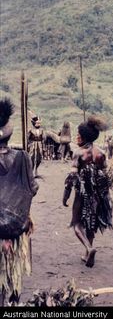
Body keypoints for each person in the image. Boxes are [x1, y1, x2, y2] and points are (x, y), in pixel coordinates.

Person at [0, 98, 38, 306]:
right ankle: (14, 303)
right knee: (14, 271)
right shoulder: (22, 157)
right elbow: (33, 189)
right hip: (17, 226)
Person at [62, 116, 112, 268]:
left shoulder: (78, 153)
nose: (77, 137)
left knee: (76, 223)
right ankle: (88, 253)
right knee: (91, 224)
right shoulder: (101, 153)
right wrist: (106, 196)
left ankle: (89, 248)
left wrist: (66, 195)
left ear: (84, 136)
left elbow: (72, 176)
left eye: (79, 134)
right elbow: (105, 175)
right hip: (98, 194)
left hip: (82, 194)